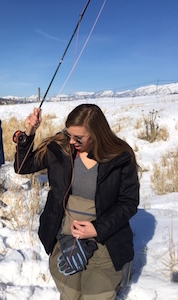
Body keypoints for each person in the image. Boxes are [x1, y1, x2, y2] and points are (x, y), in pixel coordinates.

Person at [14, 104, 140, 299]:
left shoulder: (120, 157)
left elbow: (129, 202)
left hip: (105, 242)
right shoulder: (60, 148)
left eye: (78, 138)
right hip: (65, 238)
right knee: (70, 295)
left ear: (97, 133)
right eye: (69, 134)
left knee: (96, 295)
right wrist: (28, 134)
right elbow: (23, 166)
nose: (71, 141)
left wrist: (98, 228)